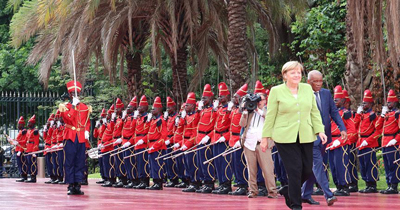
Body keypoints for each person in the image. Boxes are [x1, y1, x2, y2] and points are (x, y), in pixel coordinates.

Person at [262, 61, 327, 210]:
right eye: (293, 72)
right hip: (284, 136)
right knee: (295, 169)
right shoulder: (276, 91)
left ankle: (288, 190)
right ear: (285, 75)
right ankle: (296, 205)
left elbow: (314, 112)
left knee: (307, 170)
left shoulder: (306, 89)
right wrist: (265, 138)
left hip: (306, 134)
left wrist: (320, 130)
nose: (297, 75)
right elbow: (270, 116)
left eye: (299, 72)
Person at [301, 70, 345, 205]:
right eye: (316, 81)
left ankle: (305, 194)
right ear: (308, 82)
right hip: (310, 137)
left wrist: (342, 128)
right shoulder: (302, 94)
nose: (319, 84)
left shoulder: (326, 93)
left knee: (314, 167)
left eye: (321, 81)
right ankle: (329, 195)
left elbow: (334, 112)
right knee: (318, 165)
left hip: (325, 137)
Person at [240, 82, 276, 198]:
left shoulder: (269, 110)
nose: (258, 102)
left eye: (260, 100)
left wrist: (258, 110)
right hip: (249, 143)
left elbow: (269, 118)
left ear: (265, 100)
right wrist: (245, 111)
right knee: (251, 170)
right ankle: (253, 191)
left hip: (263, 144)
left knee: (267, 169)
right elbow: (242, 124)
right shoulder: (250, 111)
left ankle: (272, 191)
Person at [59, 80, 91, 195]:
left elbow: (87, 122)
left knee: (80, 161)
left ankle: (78, 184)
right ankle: (70, 184)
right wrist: (73, 105)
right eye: (72, 93)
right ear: (69, 95)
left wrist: (87, 131)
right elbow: (69, 118)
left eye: (76, 93)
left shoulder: (85, 107)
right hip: (70, 137)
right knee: (69, 161)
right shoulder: (65, 107)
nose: (75, 95)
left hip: (81, 137)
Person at [326, 85, 357, 196]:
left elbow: (352, 130)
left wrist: (341, 140)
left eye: (337, 99)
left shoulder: (346, 113)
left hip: (341, 142)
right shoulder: (332, 113)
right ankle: (338, 185)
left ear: (343, 101)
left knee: (341, 165)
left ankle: (344, 187)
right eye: (334, 99)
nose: (335, 101)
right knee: (333, 166)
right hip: (331, 142)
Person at [354, 90, 380, 193]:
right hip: (361, 142)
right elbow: (354, 126)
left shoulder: (373, 116)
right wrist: (357, 114)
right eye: (362, 103)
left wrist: (368, 140)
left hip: (369, 143)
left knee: (370, 164)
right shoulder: (361, 115)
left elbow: (378, 131)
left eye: (365, 103)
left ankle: (372, 185)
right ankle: (367, 184)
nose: (363, 105)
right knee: (363, 164)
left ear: (370, 104)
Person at [211, 82, 233, 194]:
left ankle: (226, 184)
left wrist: (226, 137)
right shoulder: (218, 109)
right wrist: (213, 109)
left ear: (227, 96)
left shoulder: (230, 108)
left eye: (222, 96)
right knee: (217, 162)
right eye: (219, 96)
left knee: (225, 162)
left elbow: (232, 126)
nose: (220, 98)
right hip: (216, 138)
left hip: (224, 138)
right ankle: (221, 183)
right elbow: (211, 122)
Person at [377, 89, 400, 194]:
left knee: (393, 164)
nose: (388, 104)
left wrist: (396, 139)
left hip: (392, 142)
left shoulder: (397, 113)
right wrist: (382, 116)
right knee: (386, 164)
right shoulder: (387, 114)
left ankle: (394, 185)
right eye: (387, 102)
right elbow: (377, 126)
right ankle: (389, 184)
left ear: (395, 102)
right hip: (385, 141)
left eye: (390, 102)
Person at [228, 83, 249, 196]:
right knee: (235, 163)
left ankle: (243, 185)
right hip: (233, 139)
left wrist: (240, 139)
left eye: (236, 97)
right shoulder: (235, 109)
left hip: (240, 138)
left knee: (241, 163)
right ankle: (239, 183)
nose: (234, 99)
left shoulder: (245, 110)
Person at [195, 84, 217, 193]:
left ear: (210, 98)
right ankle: (204, 181)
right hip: (200, 137)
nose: (203, 100)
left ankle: (210, 183)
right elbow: (197, 123)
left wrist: (209, 136)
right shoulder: (203, 110)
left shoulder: (214, 110)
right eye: (202, 98)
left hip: (207, 137)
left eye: (205, 98)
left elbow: (215, 126)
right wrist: (198, 111)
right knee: (200, 162)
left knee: (206, 161)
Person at [145, 96, 168, 190]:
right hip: (151, 146)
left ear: (158, 109)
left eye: (154, 108)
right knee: (152, 166)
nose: (152, 110)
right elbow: (149, 132)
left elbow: (163, 136)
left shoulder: (160, 121)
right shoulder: (153, 121)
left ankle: (158, 183)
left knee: (157, 165)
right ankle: (155, 181)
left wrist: (155, 146)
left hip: (158, 147)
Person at [121, 97, 139, 188]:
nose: (127, 109)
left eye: (130, 107)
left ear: (134, 108)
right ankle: (129, 178)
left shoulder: (135, 118)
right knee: (126, 162)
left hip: (130, 142)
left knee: (131, 162)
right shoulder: (126, 118)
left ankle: (134, 180)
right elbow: (122, 129)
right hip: (124, 141)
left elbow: (135, 130)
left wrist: (130, 142)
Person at [163, 97, 180, 187]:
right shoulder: (168, 118)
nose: (168, 109)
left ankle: (174, 179)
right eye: (167, 108)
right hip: (166, 140)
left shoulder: (177, 117)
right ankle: (170, 178)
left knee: (172, 161)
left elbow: (177, 132)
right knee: (167, 161)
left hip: (172, 141)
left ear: (174, 107)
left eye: (169, 107)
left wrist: (170, 140)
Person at [9, 116, 28, 182]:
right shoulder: (20, 132)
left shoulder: (24, 131)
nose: (18, 125)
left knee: (22, 163)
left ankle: (24, 176)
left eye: (19, 124)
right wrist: (11, 141)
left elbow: (24, 141)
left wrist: (20, 150)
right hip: (18, 149)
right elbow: (17, 141)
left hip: (21, 150)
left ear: (22, 125)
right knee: (19, 164)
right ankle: (22, 175)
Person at [25, 115, 40, 183]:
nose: (28, 124)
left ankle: (33, 177)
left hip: (32, 149)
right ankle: (31, 176)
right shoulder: (28, 131)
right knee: (28, 163)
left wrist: (34, 151)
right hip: (28, 149)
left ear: (33, 123)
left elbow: (36, 142)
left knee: (33, 163)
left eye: (29, 123)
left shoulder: (35, 131)